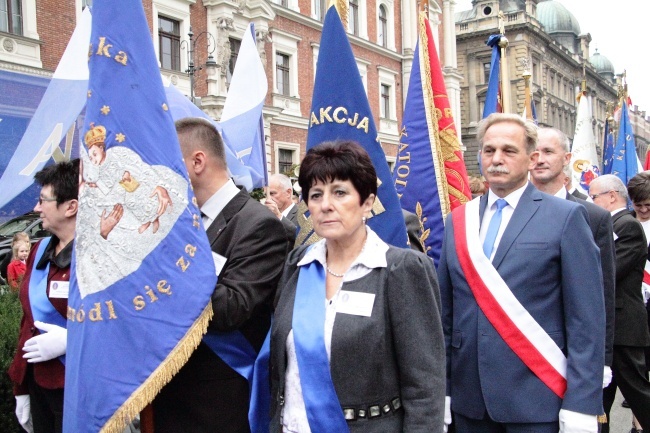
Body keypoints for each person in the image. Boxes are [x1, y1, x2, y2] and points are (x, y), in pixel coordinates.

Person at [439, 113, 605, 432]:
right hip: (469, 403)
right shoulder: (458, 221)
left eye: (508, 150)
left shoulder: (566, 217)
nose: (497, 159)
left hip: (538, 399)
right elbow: (446, 316)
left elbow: (587, 321)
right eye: (489, 150)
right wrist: (443, 391)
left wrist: (582, 404)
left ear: (531, 159)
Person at [270, 140, 445, 432]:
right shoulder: (299, 265)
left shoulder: (401, 269)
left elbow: (425, 386)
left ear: (366, 202)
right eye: (315, 195)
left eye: (340, 192)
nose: (326, 205)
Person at [152, 117, 288, 433]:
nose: (160, 176)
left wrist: (159, 277)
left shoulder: (258, 225)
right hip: (170, 396)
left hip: (218, 404)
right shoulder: (178, 221)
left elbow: (230, 309)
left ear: (197, 161)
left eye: (168, 165)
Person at [530, 127, 616, 381]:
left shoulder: (594, 217)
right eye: (534, 152)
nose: (540, 159)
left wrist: (603, 359)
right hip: (520, 343)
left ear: (567, 159)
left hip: (571, 347)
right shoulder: (506, 212)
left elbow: (603, 293)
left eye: (548, 151)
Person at [8, 159, 80, 433]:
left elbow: (122, 323)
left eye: (43, 200)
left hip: (79, 388)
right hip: (40, 382)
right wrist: (21, 387)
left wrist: (74, 340)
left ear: (71, 207)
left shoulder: (99, 256)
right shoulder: (39, 250)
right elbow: (28, 322)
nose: (37, 208)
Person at [589, 174, 650, 432]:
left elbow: (610, 271)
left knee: (638, 394)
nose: (590, 203)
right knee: (600, 399)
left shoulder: (627, 225)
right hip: (608, 326)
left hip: (624, 327)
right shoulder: (610, 224)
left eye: (593, 198)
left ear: (611, 196)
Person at [627, 171, 650, 433]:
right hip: (634, 308)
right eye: (638, 204)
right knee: (638, 372)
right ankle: (637, 424)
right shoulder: (624, 223)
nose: (643, 210)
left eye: (648, 206)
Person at [265, 173, 298, 247]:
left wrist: (279, 216)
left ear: (288, 193)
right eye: (266, 195)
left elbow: (300, 236)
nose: (268, 199)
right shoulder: (267, 217)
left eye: (272, 193)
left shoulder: (301, 215)